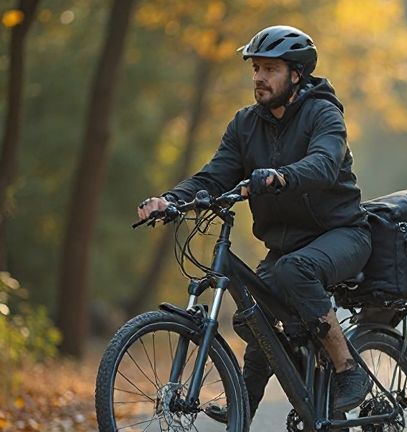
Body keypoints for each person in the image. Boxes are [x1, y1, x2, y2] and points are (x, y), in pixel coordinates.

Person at [137, 25, 372, 422]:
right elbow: (214, 176)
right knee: (255, 314)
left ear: (296, 74)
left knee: (295, 269)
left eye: (270, 69)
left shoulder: (323, 113)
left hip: (342, 235)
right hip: (286, 247)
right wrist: (171, 200)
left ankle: (348, 370)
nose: (259, 78)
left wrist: (281, 176)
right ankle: (244, 405)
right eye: (256, 69)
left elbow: (325, 162)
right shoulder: (245, 125)